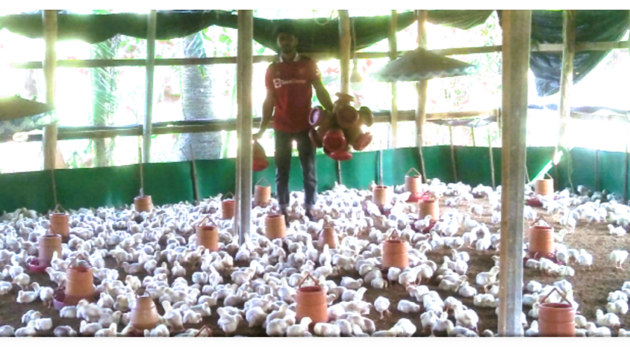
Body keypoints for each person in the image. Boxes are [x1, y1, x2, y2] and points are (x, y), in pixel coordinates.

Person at [253, 24, 334, 225]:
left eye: (289, 38)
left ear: (295, 40)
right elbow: (269, 100)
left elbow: (320, 89)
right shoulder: (273, 69)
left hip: (306, 126)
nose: (285, 42)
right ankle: (283, 210)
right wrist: (262, 127)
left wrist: (332, 112)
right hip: (281, 127)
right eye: (282, 39)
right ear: (278, 42)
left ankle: (310, 208)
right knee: (282, 170)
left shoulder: (308, 64)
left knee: (309, 168)